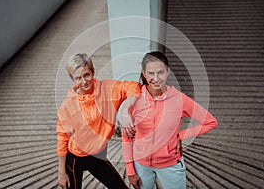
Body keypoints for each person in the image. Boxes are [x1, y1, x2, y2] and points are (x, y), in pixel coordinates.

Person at [121, 51, 218, 189]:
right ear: (143, 73)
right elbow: (127, 137)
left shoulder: (179, 99)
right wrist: (130, 171)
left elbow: (210, 121)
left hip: (170, 164)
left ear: (168, 72)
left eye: (160, 72)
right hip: (141, 165)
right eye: (151, 73)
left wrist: (182, 135)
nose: (156, 78)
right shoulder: (135, 99)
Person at [56, 53, 140, 189]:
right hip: (76, 159)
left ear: (93, 71)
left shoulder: (108, 89)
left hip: (98, 156)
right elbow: (62, 138)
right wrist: (61, 173)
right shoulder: (68, 105)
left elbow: (133, 86)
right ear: (73, 79)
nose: (84, 81)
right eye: (78, 78)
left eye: (86, 75)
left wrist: (125, 109)